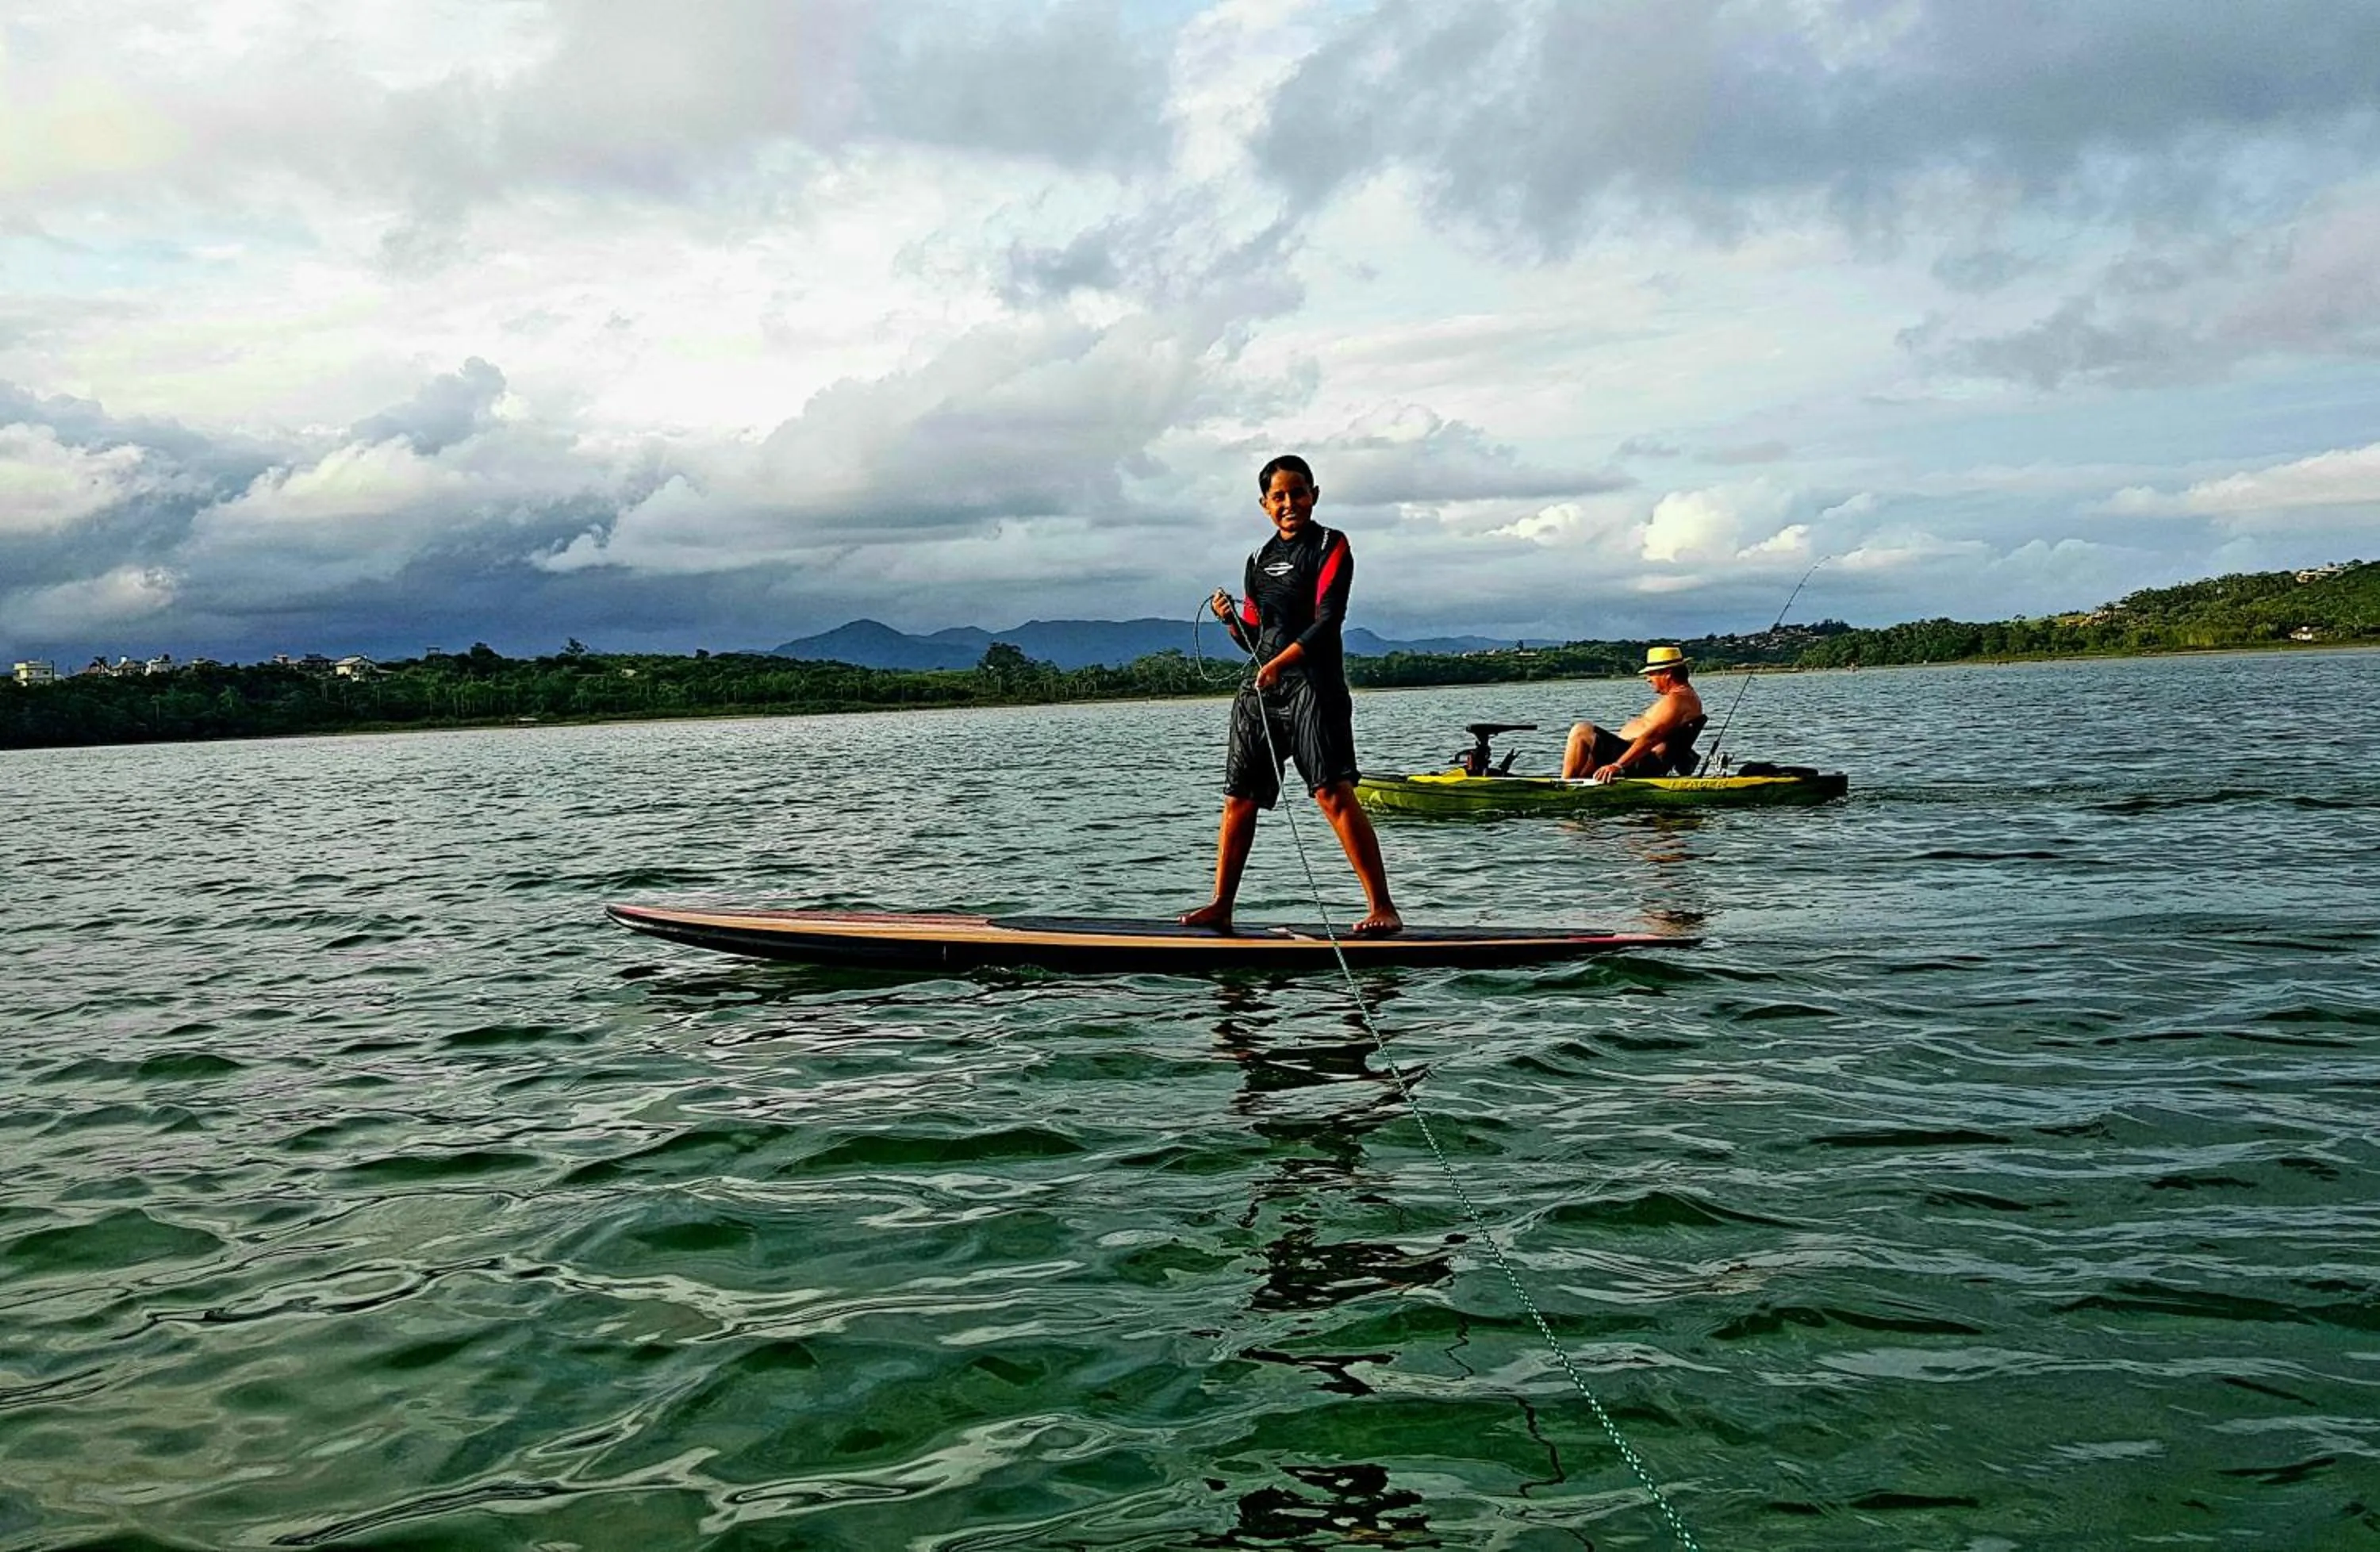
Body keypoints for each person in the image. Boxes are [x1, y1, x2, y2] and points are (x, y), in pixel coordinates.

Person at [1180, 455, 1402, 936]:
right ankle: (1221, 904)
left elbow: (1328, 621)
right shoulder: (1258, 561)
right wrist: (1229, 621)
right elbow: (1257, 634)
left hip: (1314, 686)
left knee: (1330, 792)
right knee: (1239, 797)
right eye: (1278, 497)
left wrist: (1281, 664)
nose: (1289, 503)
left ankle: (1382, 906)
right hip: (1263, 689)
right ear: (1264, 505)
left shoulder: (1330, 545)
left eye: (1297, 493)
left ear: (1313, 495)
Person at [1560, 646, 1706, 782]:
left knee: (1582, 731)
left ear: (1668, 674)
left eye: (1651, 674)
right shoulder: (1681, 697)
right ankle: (1575, 784)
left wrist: (1618, 765)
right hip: (1636, 759)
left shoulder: (1678, 700)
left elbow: (1652, 737)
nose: (1648, 679)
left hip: (1643, 763)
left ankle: (1563, 786)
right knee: (1587, 760)